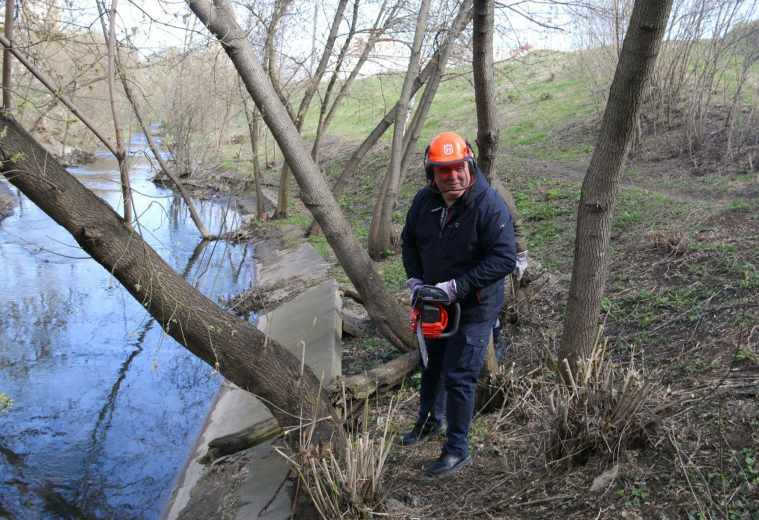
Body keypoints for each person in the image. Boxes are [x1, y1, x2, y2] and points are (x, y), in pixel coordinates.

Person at [400, 132, 516, 476]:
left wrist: (458, 287)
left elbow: (504, 258)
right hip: (435, 302)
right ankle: (429, 421)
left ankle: (457, 449)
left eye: (458, 168)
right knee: (431, 365)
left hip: (475, 306)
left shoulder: (488, 204)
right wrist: (415, 279)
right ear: (432, 172)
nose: (452, 176)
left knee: (459, 376)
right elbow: (409, 241)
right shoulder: (424, 202)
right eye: (443, 170)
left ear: (470, 165)